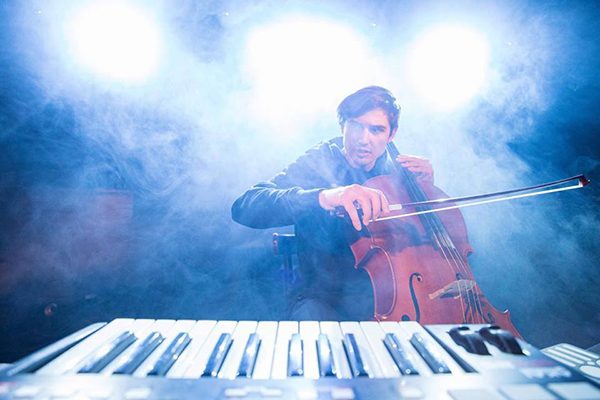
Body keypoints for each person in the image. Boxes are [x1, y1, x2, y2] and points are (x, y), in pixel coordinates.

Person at [231, 86, 433, 320]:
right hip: (324, 299)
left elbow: (423, 249)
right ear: (342, 126)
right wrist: (325, 197)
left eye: (376, 130)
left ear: (391, 134)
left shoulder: (400, 172)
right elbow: (245, 206)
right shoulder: (320, 160)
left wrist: (427, 195)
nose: (364, 139)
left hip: (393, 300)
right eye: (355, 126)